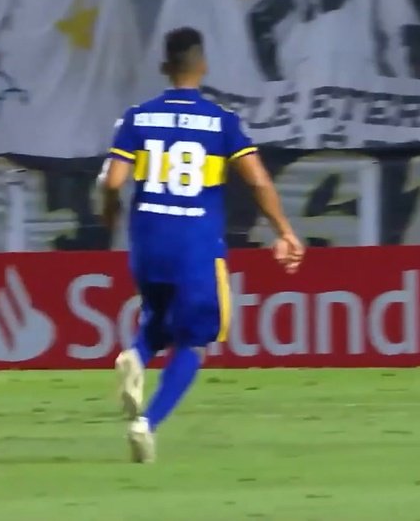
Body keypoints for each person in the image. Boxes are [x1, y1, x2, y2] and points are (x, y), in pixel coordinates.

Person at [100, 27, 304, 463]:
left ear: (164, 68)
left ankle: (135, 357)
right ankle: (146, 424)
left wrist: (110, 213)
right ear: (202, 65)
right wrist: (284, 231)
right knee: (193, 342)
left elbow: (114, 181)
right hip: (195, 245)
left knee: (156, 316)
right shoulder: (221, 122)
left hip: (147, 242)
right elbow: (257, 180)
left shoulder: (137, 117)